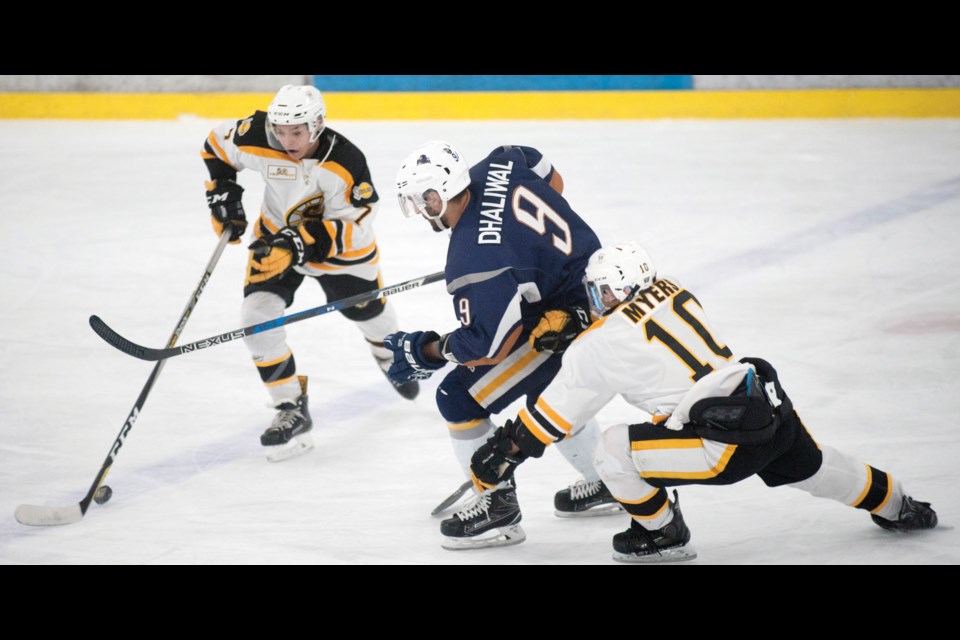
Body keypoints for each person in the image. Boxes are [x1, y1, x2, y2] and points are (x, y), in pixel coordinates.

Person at [470, 241, 938, 562]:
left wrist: (509, 448)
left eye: (601, 292)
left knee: (612, 450)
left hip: (720, 443)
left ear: (617, 290)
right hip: (765, 402)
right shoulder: (672, 288)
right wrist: (591, 327)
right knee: (815, 467)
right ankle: (899, 504)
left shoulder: (597, 346)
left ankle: (661, 533)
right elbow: (634, 331)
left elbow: (553, 417)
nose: (595, 299)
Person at [385, 141, 620, 550]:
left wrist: (427, 351)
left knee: (456, 396)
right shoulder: (500, 162)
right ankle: (612, 481)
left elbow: (489, 344)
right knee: (550, 391)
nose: (421, 212)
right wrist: (522, 247)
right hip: (603, 288)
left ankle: (497, 510)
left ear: (438, 192)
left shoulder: (474, 259)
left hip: (570, 318)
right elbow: (549, 175)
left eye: (423, 201)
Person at [201, 84, 419, 462]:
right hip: (273, 240)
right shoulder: (257, 135)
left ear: (317, 125)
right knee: (256, 319)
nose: (286, 140)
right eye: (280, 130)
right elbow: (216, 145)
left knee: (367, 313)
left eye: (296, 131)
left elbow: (358, 226)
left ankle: (388, 354)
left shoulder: (346, 161)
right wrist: (223, 192)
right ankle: (290, 406)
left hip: (340, 253)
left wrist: (299, 243)